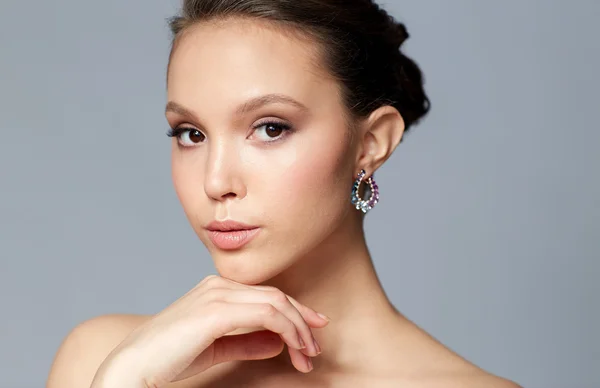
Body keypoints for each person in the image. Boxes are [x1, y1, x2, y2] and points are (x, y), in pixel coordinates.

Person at [47, 1, 521, 387]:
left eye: (270, 128)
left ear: (371, 143)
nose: (216, 182)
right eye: (191, 134)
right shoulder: (104, 357)